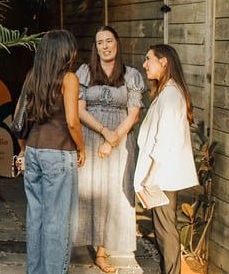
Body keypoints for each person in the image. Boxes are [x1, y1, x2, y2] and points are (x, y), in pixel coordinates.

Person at [74, 25, 144, 273]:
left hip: (120, 141)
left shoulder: (131, 75)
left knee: (114, 192)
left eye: (109, 41)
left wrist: (113, 139)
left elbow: (134, 114)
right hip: (91, 136)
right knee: (89, 189)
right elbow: (79, 110)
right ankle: (80, 240)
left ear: (117, 43)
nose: (105, 46)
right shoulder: (84, 71)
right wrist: (104, 132)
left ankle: (102, 251)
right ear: (95, 47)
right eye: (100, 42)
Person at [16, 29, 85, 274]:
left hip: (33, 151)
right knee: (58, 221)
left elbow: (19, 117)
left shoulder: (33, 75)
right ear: (66, 51)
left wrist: (24, 150)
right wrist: (81, 147)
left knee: (36, 218)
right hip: (58, 151)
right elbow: (73, 122)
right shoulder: (69, 79)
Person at [135, 44, 198, 274]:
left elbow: (163, 141)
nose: (144, 65)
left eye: (148, 59)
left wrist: (149, 177)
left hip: (162, 175)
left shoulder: (171, 95)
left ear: (163, 62)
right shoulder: (169, 91)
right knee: (163, 229)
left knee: (165, 231)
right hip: (161, 174)